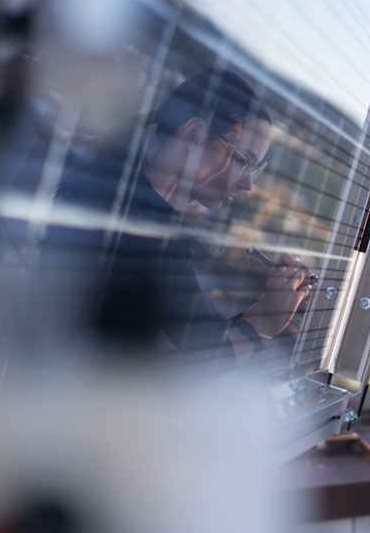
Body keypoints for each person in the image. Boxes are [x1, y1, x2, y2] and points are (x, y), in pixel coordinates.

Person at [47, 68, 311, 362]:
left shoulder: (122, 191)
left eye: (256, 170)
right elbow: (193, 366)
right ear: (194, 134)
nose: (249, 183)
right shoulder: (148, 233)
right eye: (245, 163)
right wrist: (261, 325)